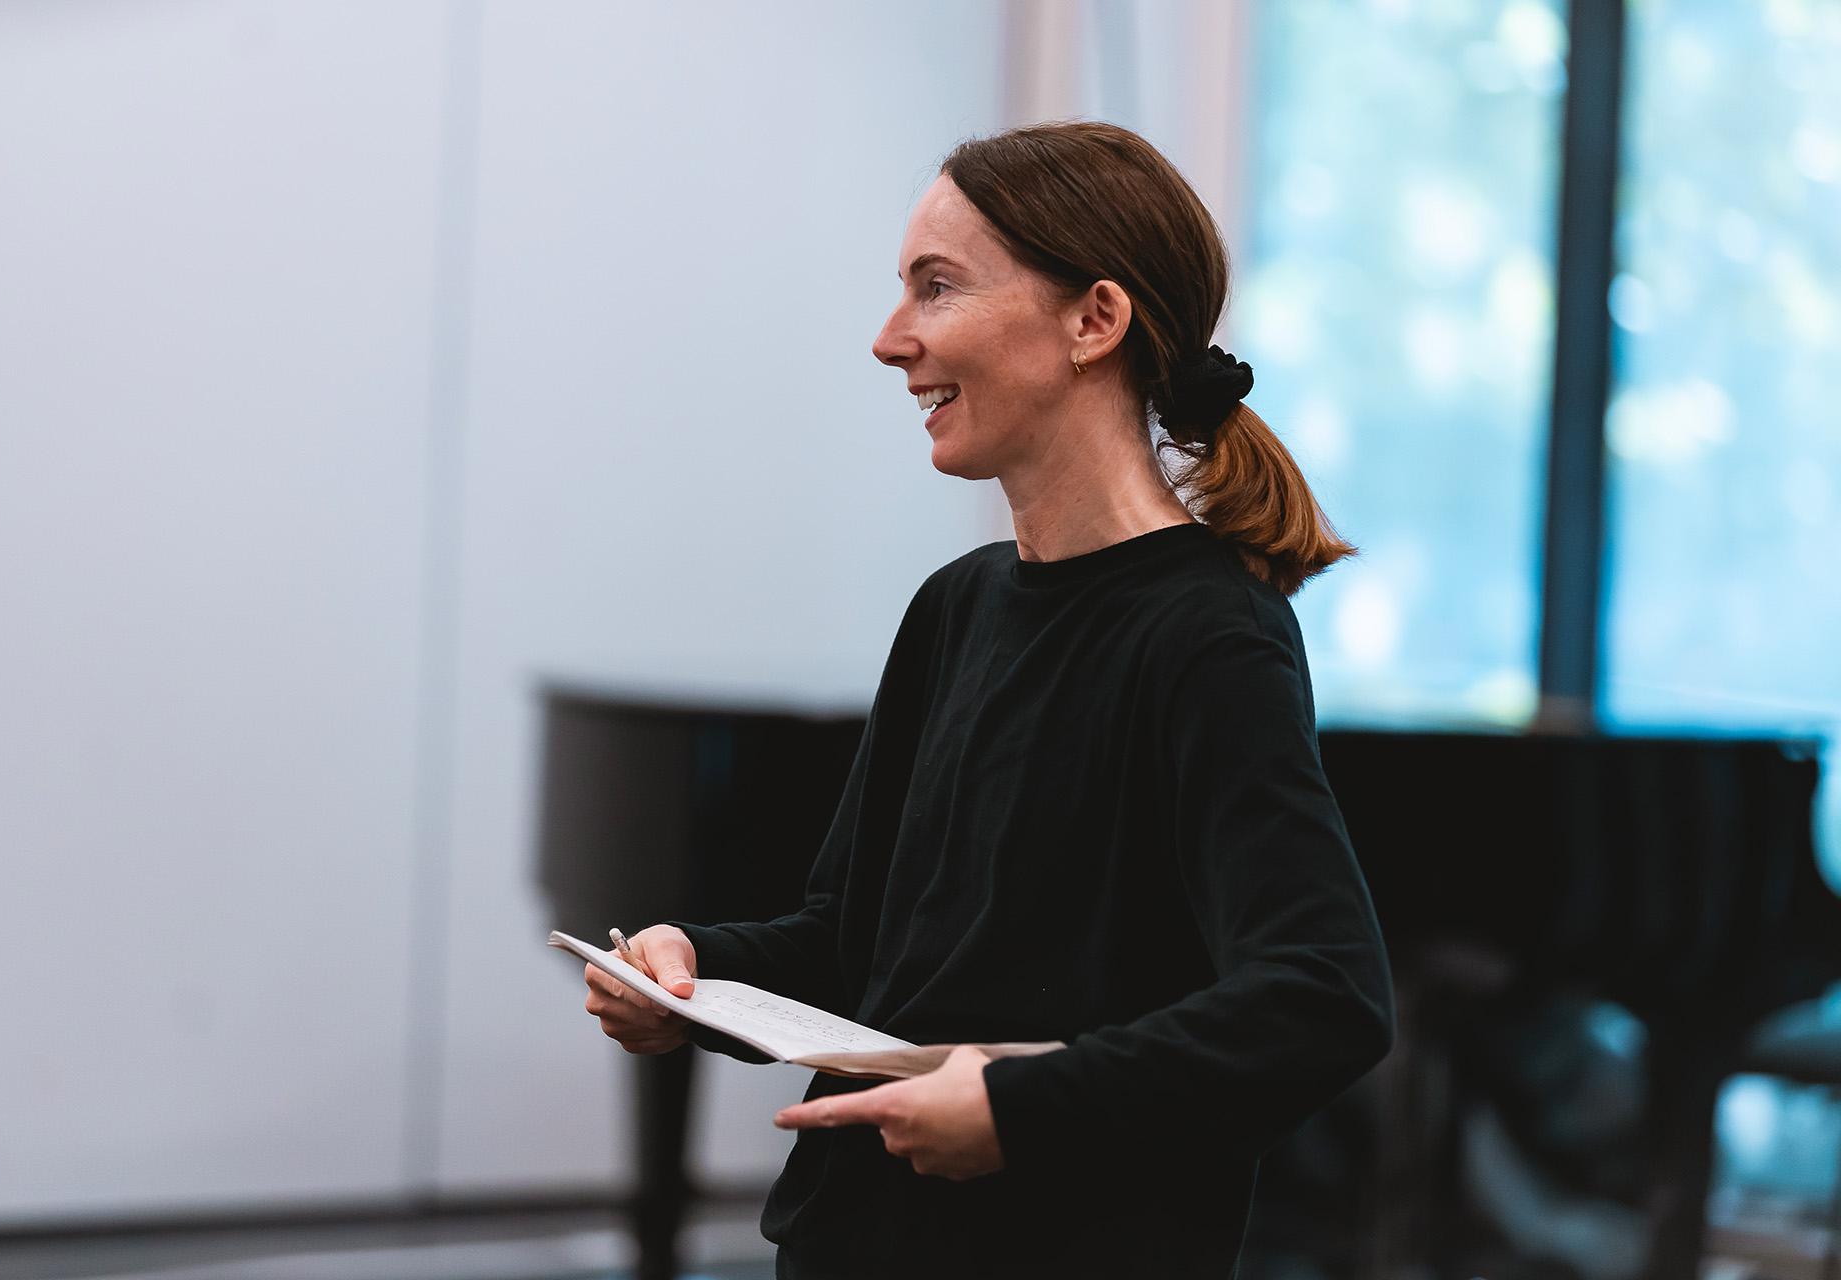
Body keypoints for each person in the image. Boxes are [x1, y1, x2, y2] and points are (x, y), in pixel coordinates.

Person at [581, 120, 1395, 1279]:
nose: (888, 339)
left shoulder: (1209, 634)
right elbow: (858, 940)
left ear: (1092, 321)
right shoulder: (954, 608)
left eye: (937, 286)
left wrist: (1021, 1107)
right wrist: (693, 970)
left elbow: (1322, 994)